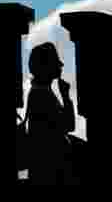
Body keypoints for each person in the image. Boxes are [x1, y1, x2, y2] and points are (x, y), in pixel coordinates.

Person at [26, 42, 78, 184]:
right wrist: (66, 97)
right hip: (51, 173)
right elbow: (69, 125)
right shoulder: (42, 95)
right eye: (55, 61)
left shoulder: (40, 92)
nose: (60, 65)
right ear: (46, 65)